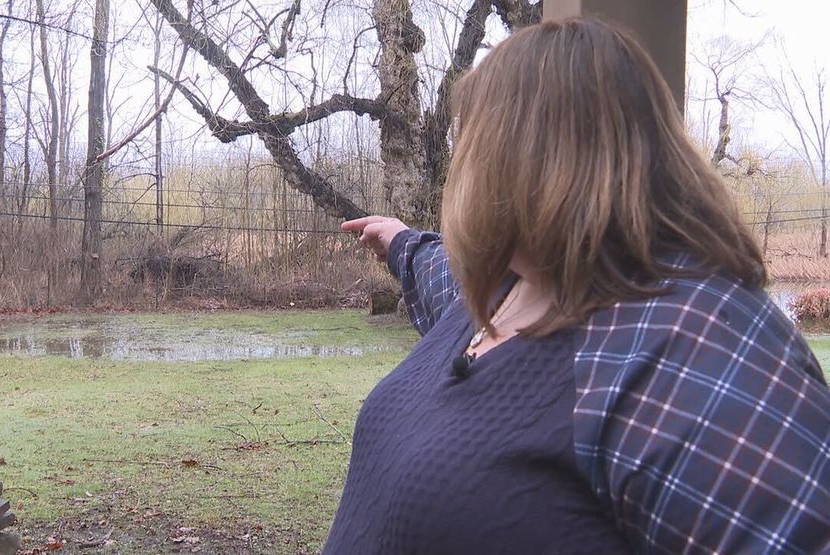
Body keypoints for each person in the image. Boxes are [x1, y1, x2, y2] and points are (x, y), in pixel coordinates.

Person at [324, 18, 830, 555]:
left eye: (472, 141)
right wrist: (401, 242)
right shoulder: (509, 286)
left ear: (527, 159)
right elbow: (445, 277)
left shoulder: (701, 342)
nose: (462, 164)